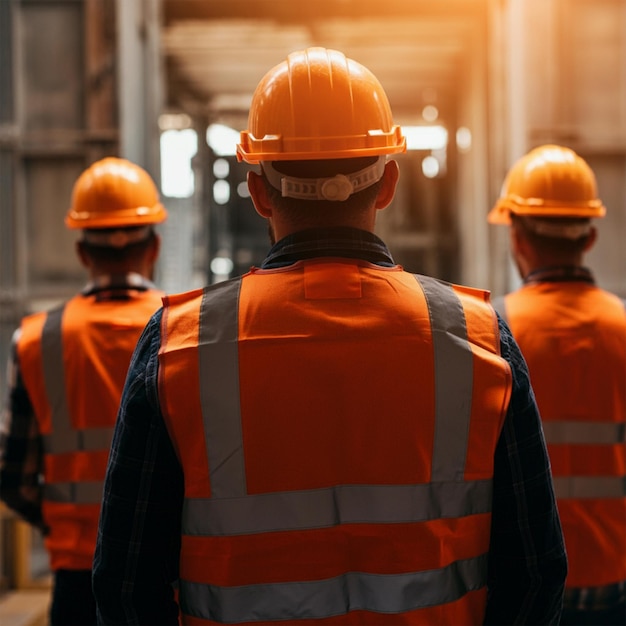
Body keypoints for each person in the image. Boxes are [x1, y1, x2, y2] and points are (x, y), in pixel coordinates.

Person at [92, 47, 567, 625]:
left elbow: (124, 588)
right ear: (388, 181)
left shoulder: (178, 347)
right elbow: (536, 574)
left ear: (260, 191)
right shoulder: (479, 339)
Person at [0, 156, 168, 626]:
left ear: (82, 251)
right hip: (164, 569)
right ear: (153, 245)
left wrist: (65, 523)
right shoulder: (186, 332)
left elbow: (12, 478)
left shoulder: (35, 339)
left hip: (75, 573)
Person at [487, 144, 626, 626]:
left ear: (518, 238)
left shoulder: (492, 331)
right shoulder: (624, 327)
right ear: (588, 237)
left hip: (524, 584)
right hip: (614, 579)